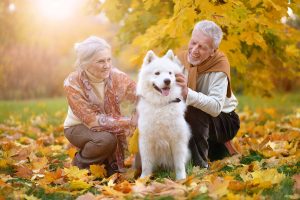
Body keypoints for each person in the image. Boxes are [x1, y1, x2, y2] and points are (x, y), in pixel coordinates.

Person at [63, 36, 137, 174]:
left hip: (108, 125)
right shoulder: (73, 82)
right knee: (106, 140)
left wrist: (140, 113)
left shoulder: (116, 76)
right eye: (101, 61)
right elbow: (92, 121)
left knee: (116, 134)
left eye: (109, 60)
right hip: (77, 127)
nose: (107, 65)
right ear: (85, 63)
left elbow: (140, 94)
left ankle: (105, 164)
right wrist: (130, 121)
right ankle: (80, 166)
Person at [176, 20, 240, 168]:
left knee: (192, 109)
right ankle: (217, 150)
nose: (194, 50)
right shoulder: (179, 60)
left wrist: (188, 94)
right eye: (193, 42)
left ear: (213, 51)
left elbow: (216, 107)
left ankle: (199, 166)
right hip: (200, 122)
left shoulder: (220, 66)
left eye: (202, 47)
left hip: (225, 120)